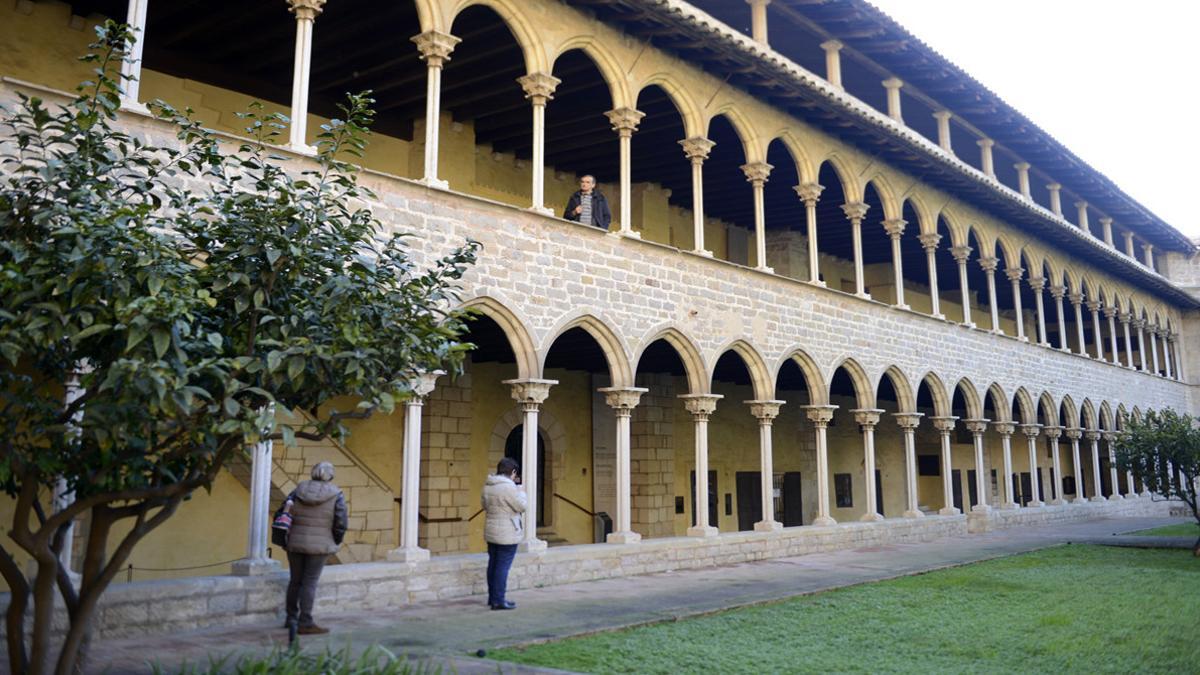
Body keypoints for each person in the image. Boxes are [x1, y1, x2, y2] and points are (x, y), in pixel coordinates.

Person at [284, 461, 347, 635]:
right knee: (309, 582)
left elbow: (283, 511)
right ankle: (305, 622)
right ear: (330, 475)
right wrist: (335, 540)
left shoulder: (298, 490)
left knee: (295, 581)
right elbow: (341, 522)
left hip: (295, 542)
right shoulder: (336, 494)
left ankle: (291, 618)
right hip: (320, 545)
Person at [481, 457, 527, 610]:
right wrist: (521, 492)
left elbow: (484, 505)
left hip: (491, 530)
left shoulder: (489, 485)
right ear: (513, 472)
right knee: (502, 567)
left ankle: (492, 597)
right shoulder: (509, 487)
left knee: (493, 564)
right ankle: (499, 600)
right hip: (507, 533)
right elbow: (521, 506)